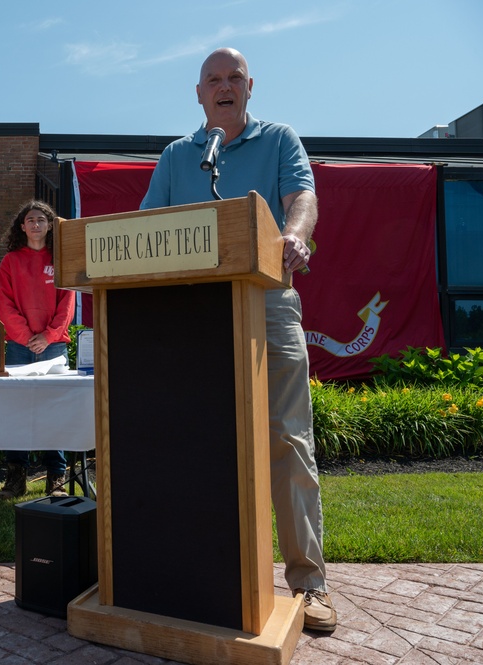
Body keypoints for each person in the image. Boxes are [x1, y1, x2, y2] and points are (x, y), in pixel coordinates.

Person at [139, 47, 335, 633]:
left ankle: (309, 583)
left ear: (250, 88)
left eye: (234, 79)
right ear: (198, 94)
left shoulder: (278, 140)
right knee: (194, 444)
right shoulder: (178, 156)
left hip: (268, 304)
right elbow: (148, 225)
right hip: (192, 316)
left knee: (286, 440)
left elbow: (302, 198)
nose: (224, 87)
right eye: (213, 80)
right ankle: (202, 577)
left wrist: (294, 236)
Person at [0, 200, 76, 499]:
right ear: (22, 226)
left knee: (54, 411)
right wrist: (29, 336)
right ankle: (16, 477)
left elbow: (68, 304)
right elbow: (5, 305)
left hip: (53, 348)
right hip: (19, 348)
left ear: (50, 225)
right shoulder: (11, 262)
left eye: (42, 219)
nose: (36, 224)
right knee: (17, 412)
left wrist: (49, 336)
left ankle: (56, 476)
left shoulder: (62, 258)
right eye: (30, 220)